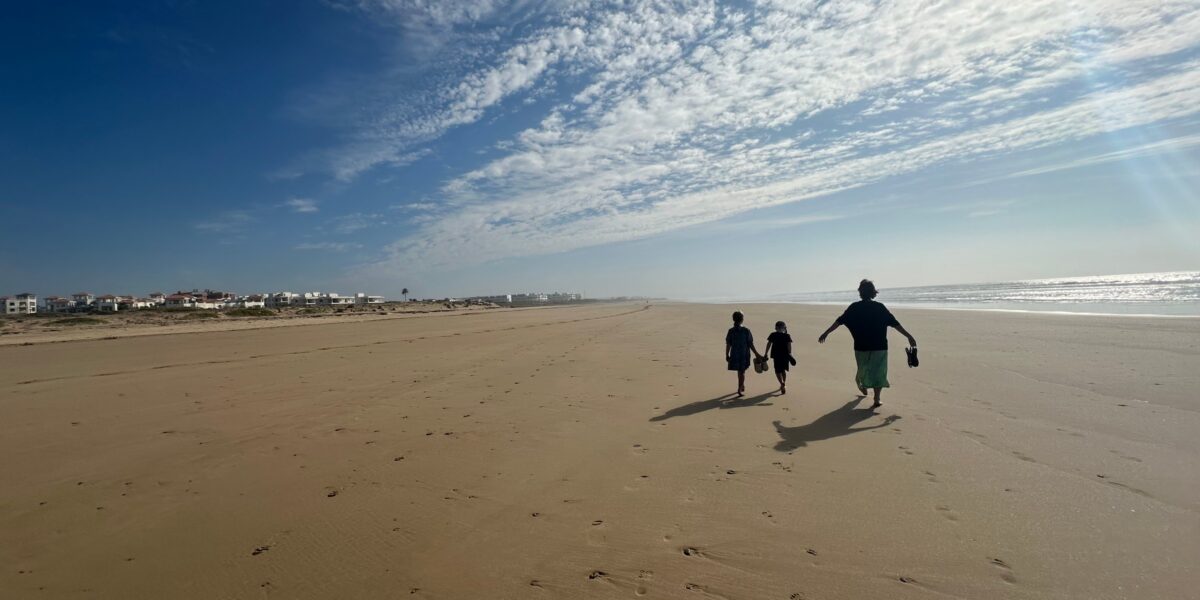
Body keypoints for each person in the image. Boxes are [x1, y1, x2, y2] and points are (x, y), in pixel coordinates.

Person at [817, 279, 917, 409]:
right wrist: (908, 336)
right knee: (879, 372)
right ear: (873, 292)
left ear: (860, 293)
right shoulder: (879, 307)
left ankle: (869, 391)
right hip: (879, 346)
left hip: (861, 346)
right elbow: (895, 323)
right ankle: (874, 395)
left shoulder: (854, 307)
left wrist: (826, 332)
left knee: (864, 370)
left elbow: (839, 321)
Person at [725, 311, 763, 397]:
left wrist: (727, 355)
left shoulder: (731, 331)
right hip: (744, 354)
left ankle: (741, 385)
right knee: (742, 371)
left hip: (734, 354)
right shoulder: (746, 331)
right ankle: (740, 387)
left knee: (740, 371)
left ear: (733, 319)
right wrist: (757, 354)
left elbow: (728, 344)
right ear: (742, 319)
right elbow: (750, 344)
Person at [763, 321, 793, 394]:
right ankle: (784, 383)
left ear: (776, 328)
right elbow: (789, 346)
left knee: (777, 371)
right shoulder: (787, 336)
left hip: (776, 356)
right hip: (785, 356)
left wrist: (766, 353)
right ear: (784, 328)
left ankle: (781, 383)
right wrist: (790, 354)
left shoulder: (773, 335)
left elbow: (769, 344)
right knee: (783, 370)